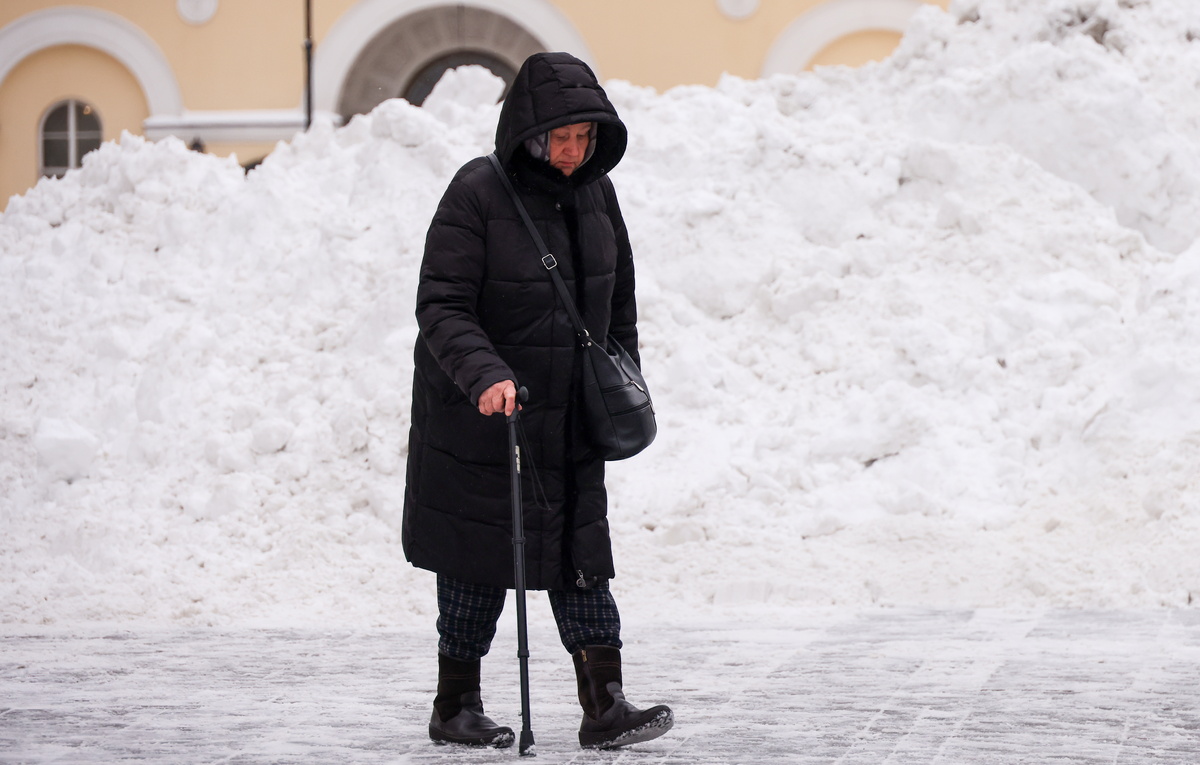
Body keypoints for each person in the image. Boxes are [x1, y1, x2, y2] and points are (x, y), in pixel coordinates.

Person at [402, 52, 673, 750]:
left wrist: (623, 375)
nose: (574, 152)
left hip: (570, 413)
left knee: (579, 551)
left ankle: (604, 702)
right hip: (485, 415)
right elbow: (442, 304)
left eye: (586, 138)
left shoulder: (596, 193)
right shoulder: (477, 194)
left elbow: (618, 302)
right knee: (478, 560)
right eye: (562, 138)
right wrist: (486, 374)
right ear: (529, 131)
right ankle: (455, 701)